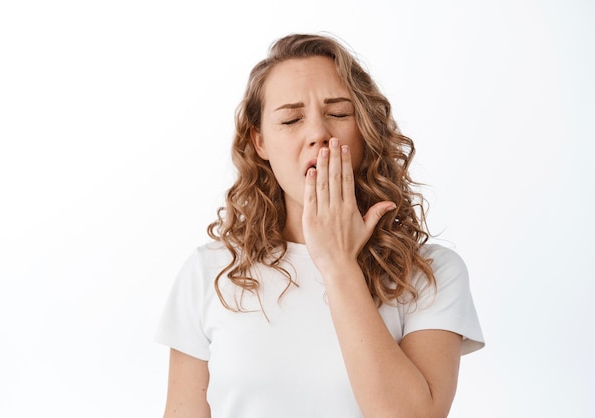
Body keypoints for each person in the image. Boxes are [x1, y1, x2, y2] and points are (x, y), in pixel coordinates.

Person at [155, 33, 484, 418]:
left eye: (340, 114)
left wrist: (338, 263)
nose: (319, 135)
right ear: (259, 142)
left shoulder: (432, 273)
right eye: (292, 119)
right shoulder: (210, 272)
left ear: (365, 130)